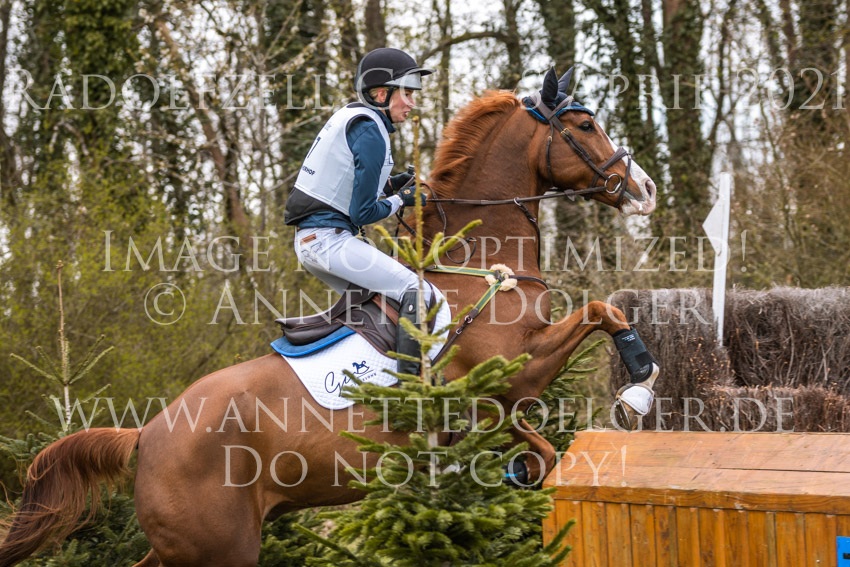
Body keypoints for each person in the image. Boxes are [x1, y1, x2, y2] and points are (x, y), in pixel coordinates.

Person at [284, 47, 433, 375]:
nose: (412, 103)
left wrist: (392, 186)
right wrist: (402, 200)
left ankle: (371, 375)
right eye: (407, 94)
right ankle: (413, 389)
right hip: (329, 241)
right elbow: (363, 213)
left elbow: (345, 186)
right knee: (418, 292)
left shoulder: (354, 118)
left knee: (383, 308)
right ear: (381, 94)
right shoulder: (370, 130)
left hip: (314, 241)